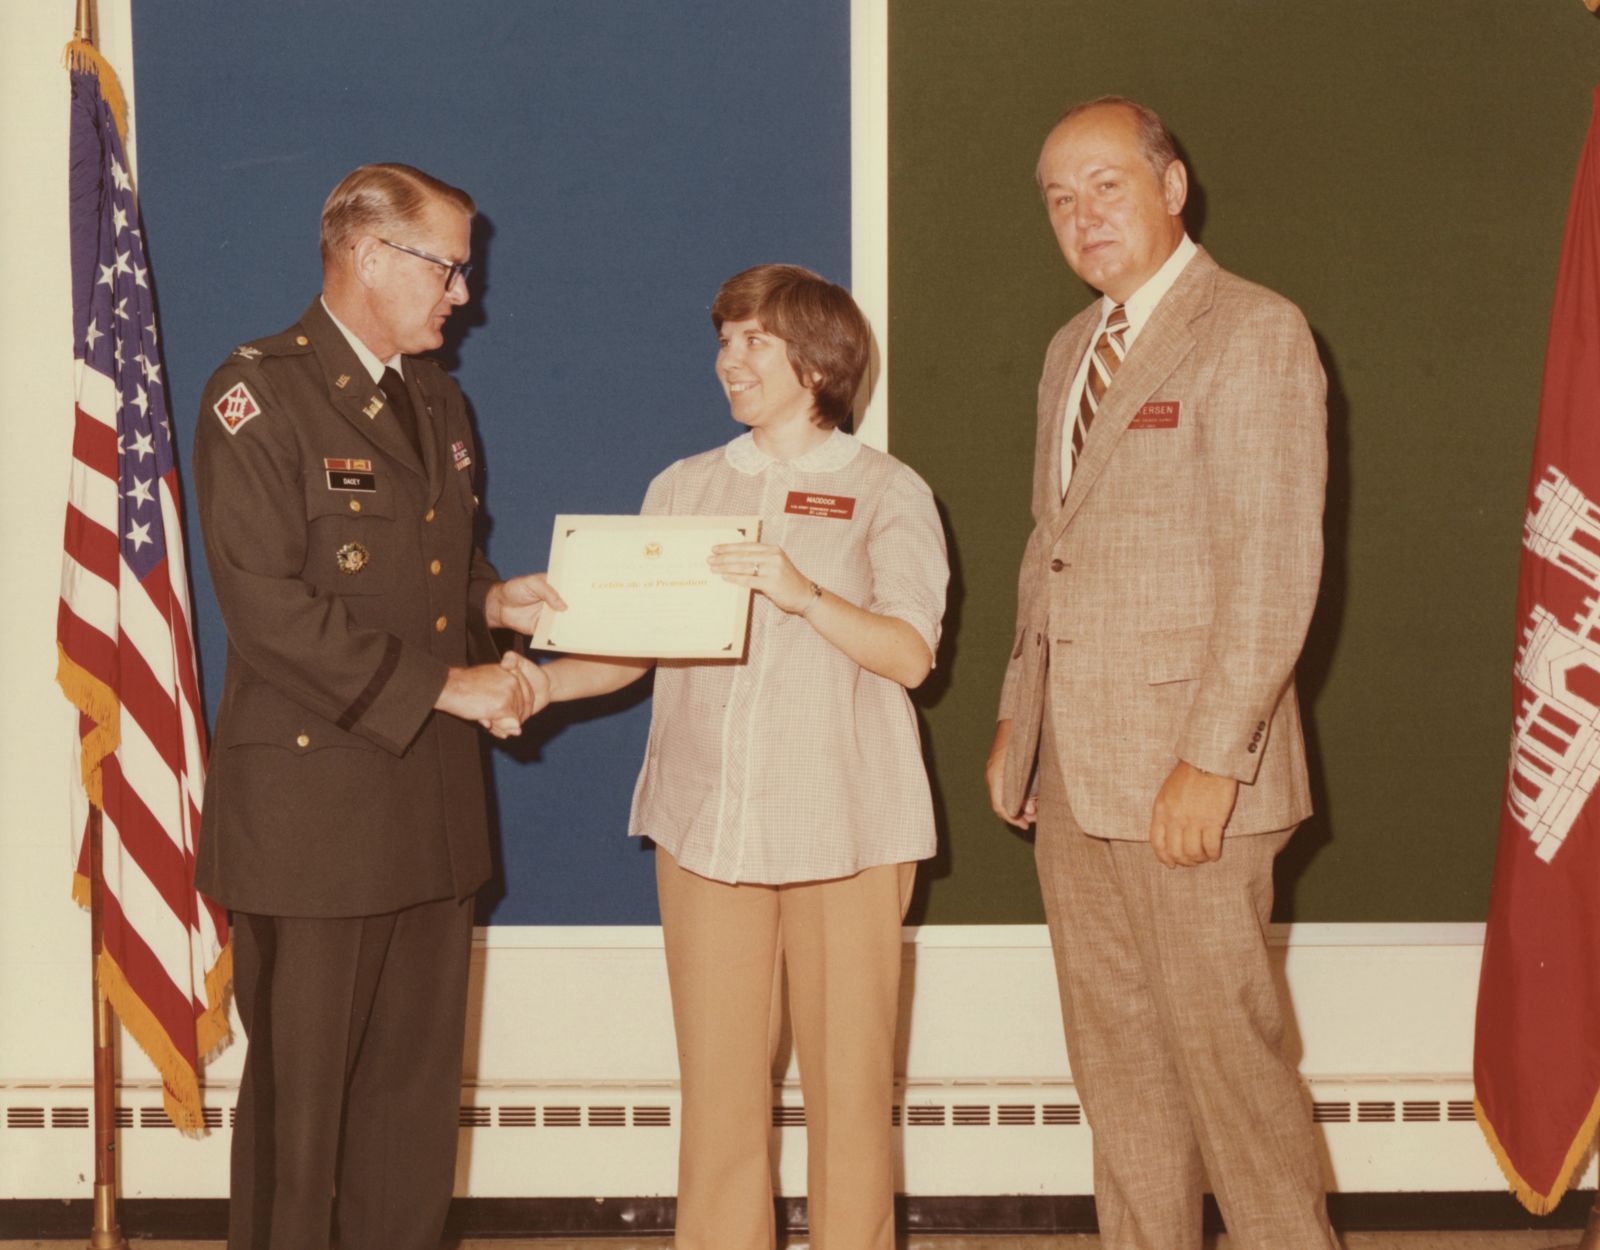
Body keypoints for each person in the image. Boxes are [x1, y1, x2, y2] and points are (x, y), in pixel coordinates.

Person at [524, 264, 947, 1250]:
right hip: (704, 830)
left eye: (753, 340)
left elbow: (911, 654)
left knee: (850, 1091)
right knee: (716, 1094)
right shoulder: (684, 485)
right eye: (724, 340)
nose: (729, 360)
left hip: (850, 828)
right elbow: (632, 646)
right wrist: (536, 682)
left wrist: (803, 593)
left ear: (820, 359)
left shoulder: (888, 489)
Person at [985, 98, 1340, 1249]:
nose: (1081, 215)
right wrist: (1015, 720)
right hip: (1077, 786)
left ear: (1171, 186)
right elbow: (1054, 549)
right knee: (1121, 1080)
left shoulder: (1253, 328)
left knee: (1231, 1076)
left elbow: (1274, 563)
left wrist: (1208, 757)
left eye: (1105, 185)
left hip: (1192, 782)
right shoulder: (1067, 348)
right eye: (1058, 197)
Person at [191, 162, 555, 1250]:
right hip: (314, 822)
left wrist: (494, 596)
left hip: (430, 815)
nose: (462, 295)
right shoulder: (255, 392)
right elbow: (269, 609)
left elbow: (437, 570)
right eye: (447, 268)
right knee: (301, 1136)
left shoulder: (436, 398)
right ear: (366, 256)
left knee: (406, 1123)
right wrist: (451, 685)